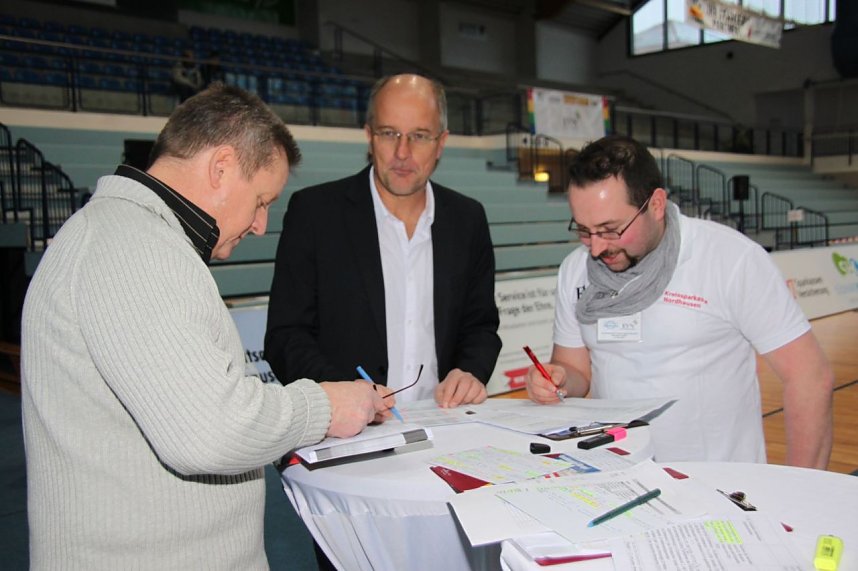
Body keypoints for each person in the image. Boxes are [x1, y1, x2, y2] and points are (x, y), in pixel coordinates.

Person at [21, 83, 390, 570]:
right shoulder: (134, 246)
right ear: (221, 167)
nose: (261, 224)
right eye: (261, 200)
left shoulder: (133, 237)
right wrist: (323, 406)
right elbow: (212, 433)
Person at [526, 135, 833, 468]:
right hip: (616, 476)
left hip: (720, 485)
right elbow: (576, 372)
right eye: (584, 230)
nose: (597, 248)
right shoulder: (575, 269)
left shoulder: (730, 258)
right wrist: (556, 379)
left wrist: (802, 486)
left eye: (610, 229)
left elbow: (809, 377)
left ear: (655, 205)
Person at [265, 73, 501, 409]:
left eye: (419, 136)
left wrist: (470, 370)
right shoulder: (315, 214)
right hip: (346, 432)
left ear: (441, 142)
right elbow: (285, 336)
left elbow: (480, 326)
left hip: (444, 424)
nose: (402, 152)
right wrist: (339, 395)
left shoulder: (468, 219)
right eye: (389, 133)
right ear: (369, 135)